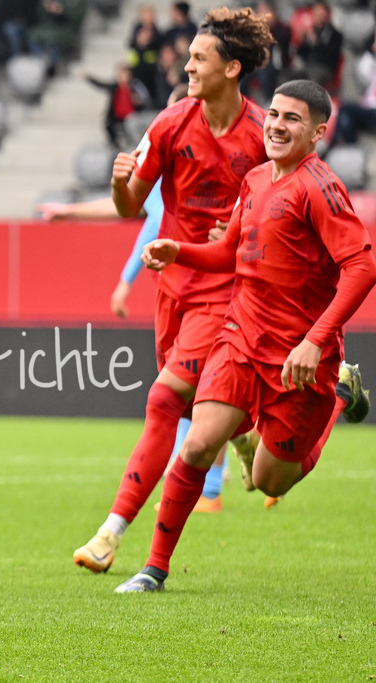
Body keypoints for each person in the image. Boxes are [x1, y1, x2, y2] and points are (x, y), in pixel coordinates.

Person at [116, 80, 376, 593]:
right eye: (274, 115)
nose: (277, 125)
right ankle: (153, 569)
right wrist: (180, 251)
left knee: (267, 479)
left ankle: (339, 396)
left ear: (319, 132)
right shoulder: (255, 179)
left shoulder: (320, 188)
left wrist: (316, 341)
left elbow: (363, 266)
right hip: (238, 338)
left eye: (293, 120)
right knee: (196, 446)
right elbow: (229, 251)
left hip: (299, 359)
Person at [73, 7, 276, 574]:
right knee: (187, 400)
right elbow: (132, 206)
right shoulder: (168, 124)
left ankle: (109, 535)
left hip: (230, 290)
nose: (185, 66)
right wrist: (119, 186)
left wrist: (242, 228)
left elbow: (285, 207)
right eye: (187, 56)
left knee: (164, 399)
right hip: (175, 287)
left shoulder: (263, 133)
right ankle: (242, 432)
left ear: (232, 68)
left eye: (198, 58)